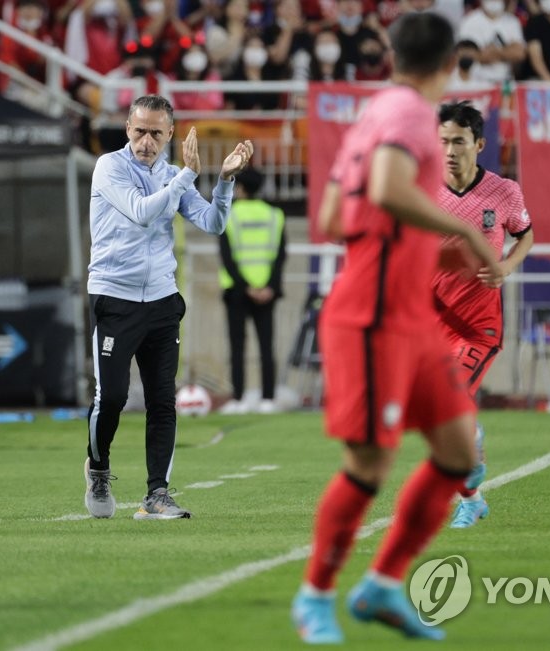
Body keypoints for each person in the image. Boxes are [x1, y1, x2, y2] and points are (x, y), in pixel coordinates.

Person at [291, 12, 503, 644]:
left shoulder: (372, 114)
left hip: (405, 309)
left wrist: (418, 251)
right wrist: (462, 230)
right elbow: (385, 188)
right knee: (369, 466)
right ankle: (315, 597)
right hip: (373, 314)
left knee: (458, 453)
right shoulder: (412, 115)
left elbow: (333, 213)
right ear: (452, 63)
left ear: (390, 53)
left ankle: (381, 585)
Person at [83, 94, 253, 521]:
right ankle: (99, 467)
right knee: (114, 398)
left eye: (156, 134)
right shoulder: (110, 167)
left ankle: (156, 493)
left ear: (170, 134)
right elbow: (140, 212)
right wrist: (186, 178)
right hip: (115, 296)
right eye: (139, 131)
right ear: (127, 128)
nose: (146, 142)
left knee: (163, 401)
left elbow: (213, 223)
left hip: (161, 299)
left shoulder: (175, 173)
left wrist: (225, 182)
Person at [432, 100, 534, 529]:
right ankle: (472, 496)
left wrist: (506, 267)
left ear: (479, 143)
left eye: (458, 141)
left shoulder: (504, 191)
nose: (450, 151)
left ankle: (469, 472)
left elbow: (525, 235)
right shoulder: (423, 189)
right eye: (443, 142)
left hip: (478, 325)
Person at [218, 167, 286, 415]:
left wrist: (245, 286)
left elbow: (227, 258)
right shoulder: (274, 215)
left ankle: (238, 398)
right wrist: (270, 287)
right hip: (267, 290)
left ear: (241, 188)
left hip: (237, 291)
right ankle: (268, 399)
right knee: (267, 346)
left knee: (237, 346)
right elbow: (280, 257)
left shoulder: (230, 214)